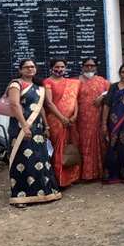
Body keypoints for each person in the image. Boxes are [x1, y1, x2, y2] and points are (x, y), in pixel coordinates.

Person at [6, 59, 61, 207]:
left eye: (32, 67)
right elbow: (14, 104)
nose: (30, 69)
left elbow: (41, 107)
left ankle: (45, 193)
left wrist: (46, 126)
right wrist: (24, 126)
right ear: (20, 70)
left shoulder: (39, 87)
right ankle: (21, 197)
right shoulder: (16, 85)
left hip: (37, 128)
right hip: (20, 128)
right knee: (23, 161)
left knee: (40, 159)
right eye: (26, 67)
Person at [44, 59, 81, 188]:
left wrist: (75, 115)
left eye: (62, 67)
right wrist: (61, 118)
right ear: (51, 68)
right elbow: (49, 103)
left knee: (69, 148)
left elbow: (74, 99)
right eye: (57, 67)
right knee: (57, 149)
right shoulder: (47, 82)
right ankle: (58, 180)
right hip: (55, 121)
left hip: (70, 121)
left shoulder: (71, 83)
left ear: (65, 68)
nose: (59, 69)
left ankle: (69, 178)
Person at [100, 63, 124, 184]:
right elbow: (107, 105)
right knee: (114, 146)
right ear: (120, 74)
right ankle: (114, 175)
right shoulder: (113, 87)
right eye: (123, 72)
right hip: (114, 121)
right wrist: (104, 123)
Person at [76, 58, 109, 181]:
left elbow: (112, 91)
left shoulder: (102, 81)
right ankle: (85, 174)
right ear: (82, 67)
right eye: (87, 65)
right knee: (83, 144)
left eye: (92, 65)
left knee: (98, 143)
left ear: (95, 67)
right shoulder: (75, 82)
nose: (89, 68)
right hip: (81, 120)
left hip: (98, 118)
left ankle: (98, 172)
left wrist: (102, 96)